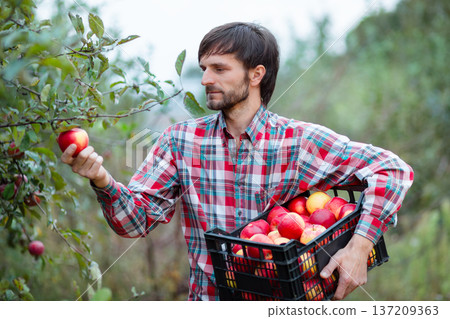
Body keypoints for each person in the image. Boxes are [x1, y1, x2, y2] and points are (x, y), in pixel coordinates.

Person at [61, 22, 414, 301]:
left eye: (219, 69)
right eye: (203, 68)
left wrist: (360, 246)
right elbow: (133, 222)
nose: (205, 79)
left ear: (255, 75)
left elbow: (393, 170)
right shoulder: (181, 141)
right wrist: (102, 180)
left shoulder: (299, 141)